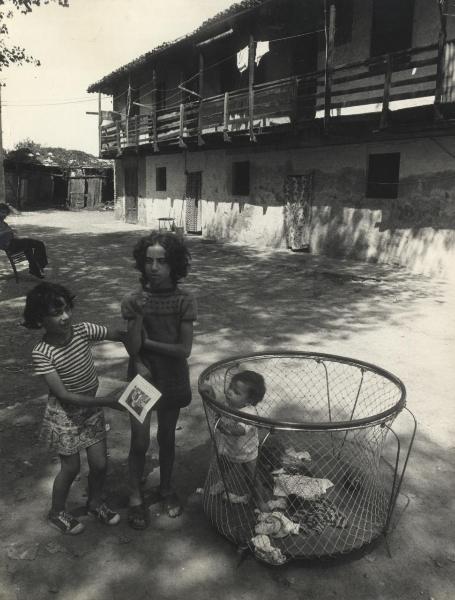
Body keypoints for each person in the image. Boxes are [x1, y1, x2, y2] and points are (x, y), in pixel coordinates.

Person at [23, 281, 125, 535]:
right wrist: (108, 401)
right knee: (71, 468)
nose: (65, 317)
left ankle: (95, 502)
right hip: (65, 416)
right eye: (56, 313)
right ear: (40, 319)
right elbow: (64, 395)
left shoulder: (83, 330)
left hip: (90, 410)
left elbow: (118, 334)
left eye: (67, 308)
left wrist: (136, 318)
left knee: (100, 464)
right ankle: (56, 512)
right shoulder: (42, 352)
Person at [121, 232, 196, 529]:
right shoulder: (133, 299)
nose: (154, 267)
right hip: (140, 376)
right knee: (139, 441)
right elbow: (131, 348)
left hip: (173, 377)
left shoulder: (184, 300)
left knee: (167, 436)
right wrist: (138, 319)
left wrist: (146, 343)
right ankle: (135, 497)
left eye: (162, 261)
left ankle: (166, 488)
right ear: (142, 264)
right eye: (149, 261)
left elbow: (184, 350)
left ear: (174, 265)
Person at [202, 371, 268, 509]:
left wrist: (222, 426)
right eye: (230, 387)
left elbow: (239, 430)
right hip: (228, 449)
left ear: (248, 401)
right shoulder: (228, 403)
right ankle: (222, 482)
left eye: (237, 392)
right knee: (223, 468)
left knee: (253, 478)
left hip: (246, 453)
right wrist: (210, 392)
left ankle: (260, 501)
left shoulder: (249, 413)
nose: (230, 392)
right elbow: (217, 407)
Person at [0, 203, 48, 278]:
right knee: (39, 244)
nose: (4, 215)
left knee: (29, 248)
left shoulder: (4, 223)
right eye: (2, 212)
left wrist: (12, 232)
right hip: (10, 246)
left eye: (5, 213)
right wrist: (8, 233)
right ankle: (40, 265)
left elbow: (11, 234)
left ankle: (35, 270)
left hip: (14, 243)